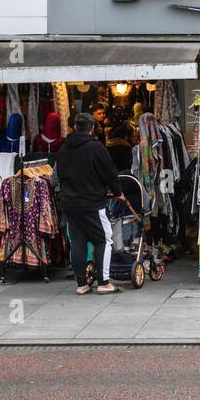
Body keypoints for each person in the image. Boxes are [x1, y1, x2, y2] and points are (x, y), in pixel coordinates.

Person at [55, 113, 127, 295]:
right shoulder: (95, 148)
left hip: (69, 204)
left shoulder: (63, 148)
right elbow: (109, 173)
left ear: (74, 128)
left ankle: (81, 284)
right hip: (92, 203)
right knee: (103, 239)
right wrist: (118, 193)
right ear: (92, 128)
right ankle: (104, 283)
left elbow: (58, 176)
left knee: (77, 242)